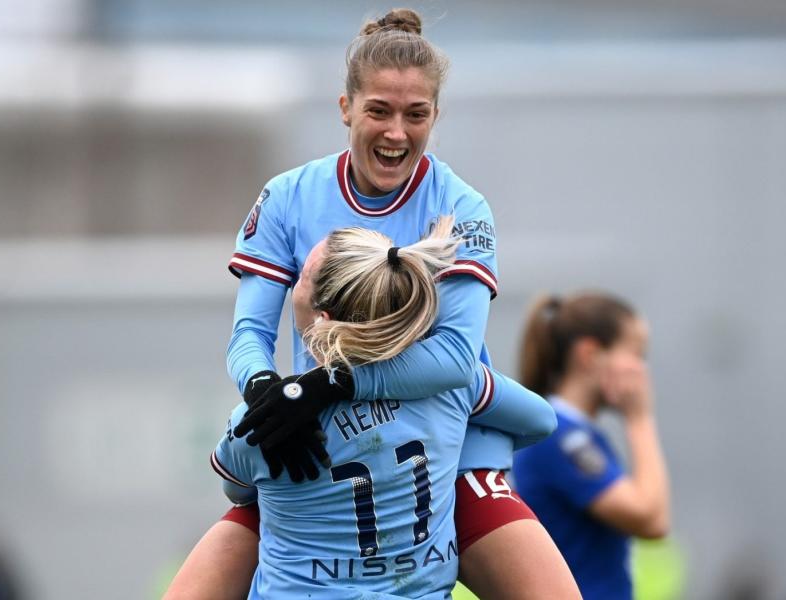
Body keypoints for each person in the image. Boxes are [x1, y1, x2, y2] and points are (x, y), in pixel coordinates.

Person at [165, 8, 579, 599]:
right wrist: (268, 396)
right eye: (379, 110)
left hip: (449, 447)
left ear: (436, 115)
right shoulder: (288, 197)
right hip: (322, 438)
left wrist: (326, 385)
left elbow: (455, 359)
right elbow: (249, 334)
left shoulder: (461, 205)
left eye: (417, 115)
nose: (396, 132)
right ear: (345, 109)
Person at [204, 220, 563, 598]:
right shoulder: (454, 387)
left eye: (302, 277)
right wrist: (450, 458)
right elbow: (540, 420)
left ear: (322, 321)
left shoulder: (261, 423)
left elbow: (238, 493)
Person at [512, 292, 671, 600]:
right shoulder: (560, 437)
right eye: (636, 354)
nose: (642, 371)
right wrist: (639, 419)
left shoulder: (574, 432)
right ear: (590, 355)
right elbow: (651, 518)